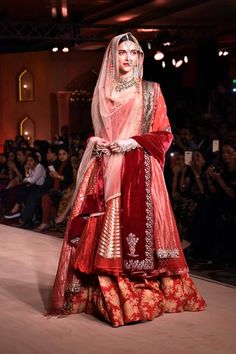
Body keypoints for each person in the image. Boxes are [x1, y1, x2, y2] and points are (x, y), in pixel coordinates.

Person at [49, 33, 206, 327]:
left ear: (139, 58)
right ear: (113, 56)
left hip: (139, 169)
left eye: (134, 53)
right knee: (102, 225)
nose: (129, 58)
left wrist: (131, 143)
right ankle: (106, 291)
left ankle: (142, 288)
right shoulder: (102, 92)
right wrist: (99, 142)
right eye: (123, 52)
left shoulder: (150, 91)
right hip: (106, 166)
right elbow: (97, 132)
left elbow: (165, 134)